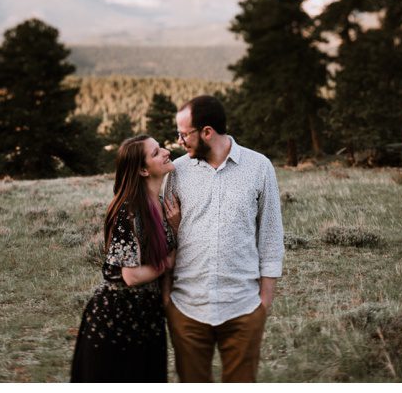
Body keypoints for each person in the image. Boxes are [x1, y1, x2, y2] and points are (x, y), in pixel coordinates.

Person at [163, 95, 284, 383]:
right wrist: (167, 298)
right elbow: (162, 237)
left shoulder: (259, 166)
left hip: (243, 307)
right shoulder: (176, 171)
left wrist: (263, 302)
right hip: (187, 308)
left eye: (183, 134)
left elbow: (270, 234)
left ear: (207, 132)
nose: (179, 141)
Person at [70, 134, 182, 382]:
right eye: (155, 153)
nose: (165, 152)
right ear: (143, 170)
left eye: (160, 147)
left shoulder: (162, 203)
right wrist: (168, 262)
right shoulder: (129, 211)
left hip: (148, 317)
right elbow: (131, 276)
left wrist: (175, 227)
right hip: (117, 319)